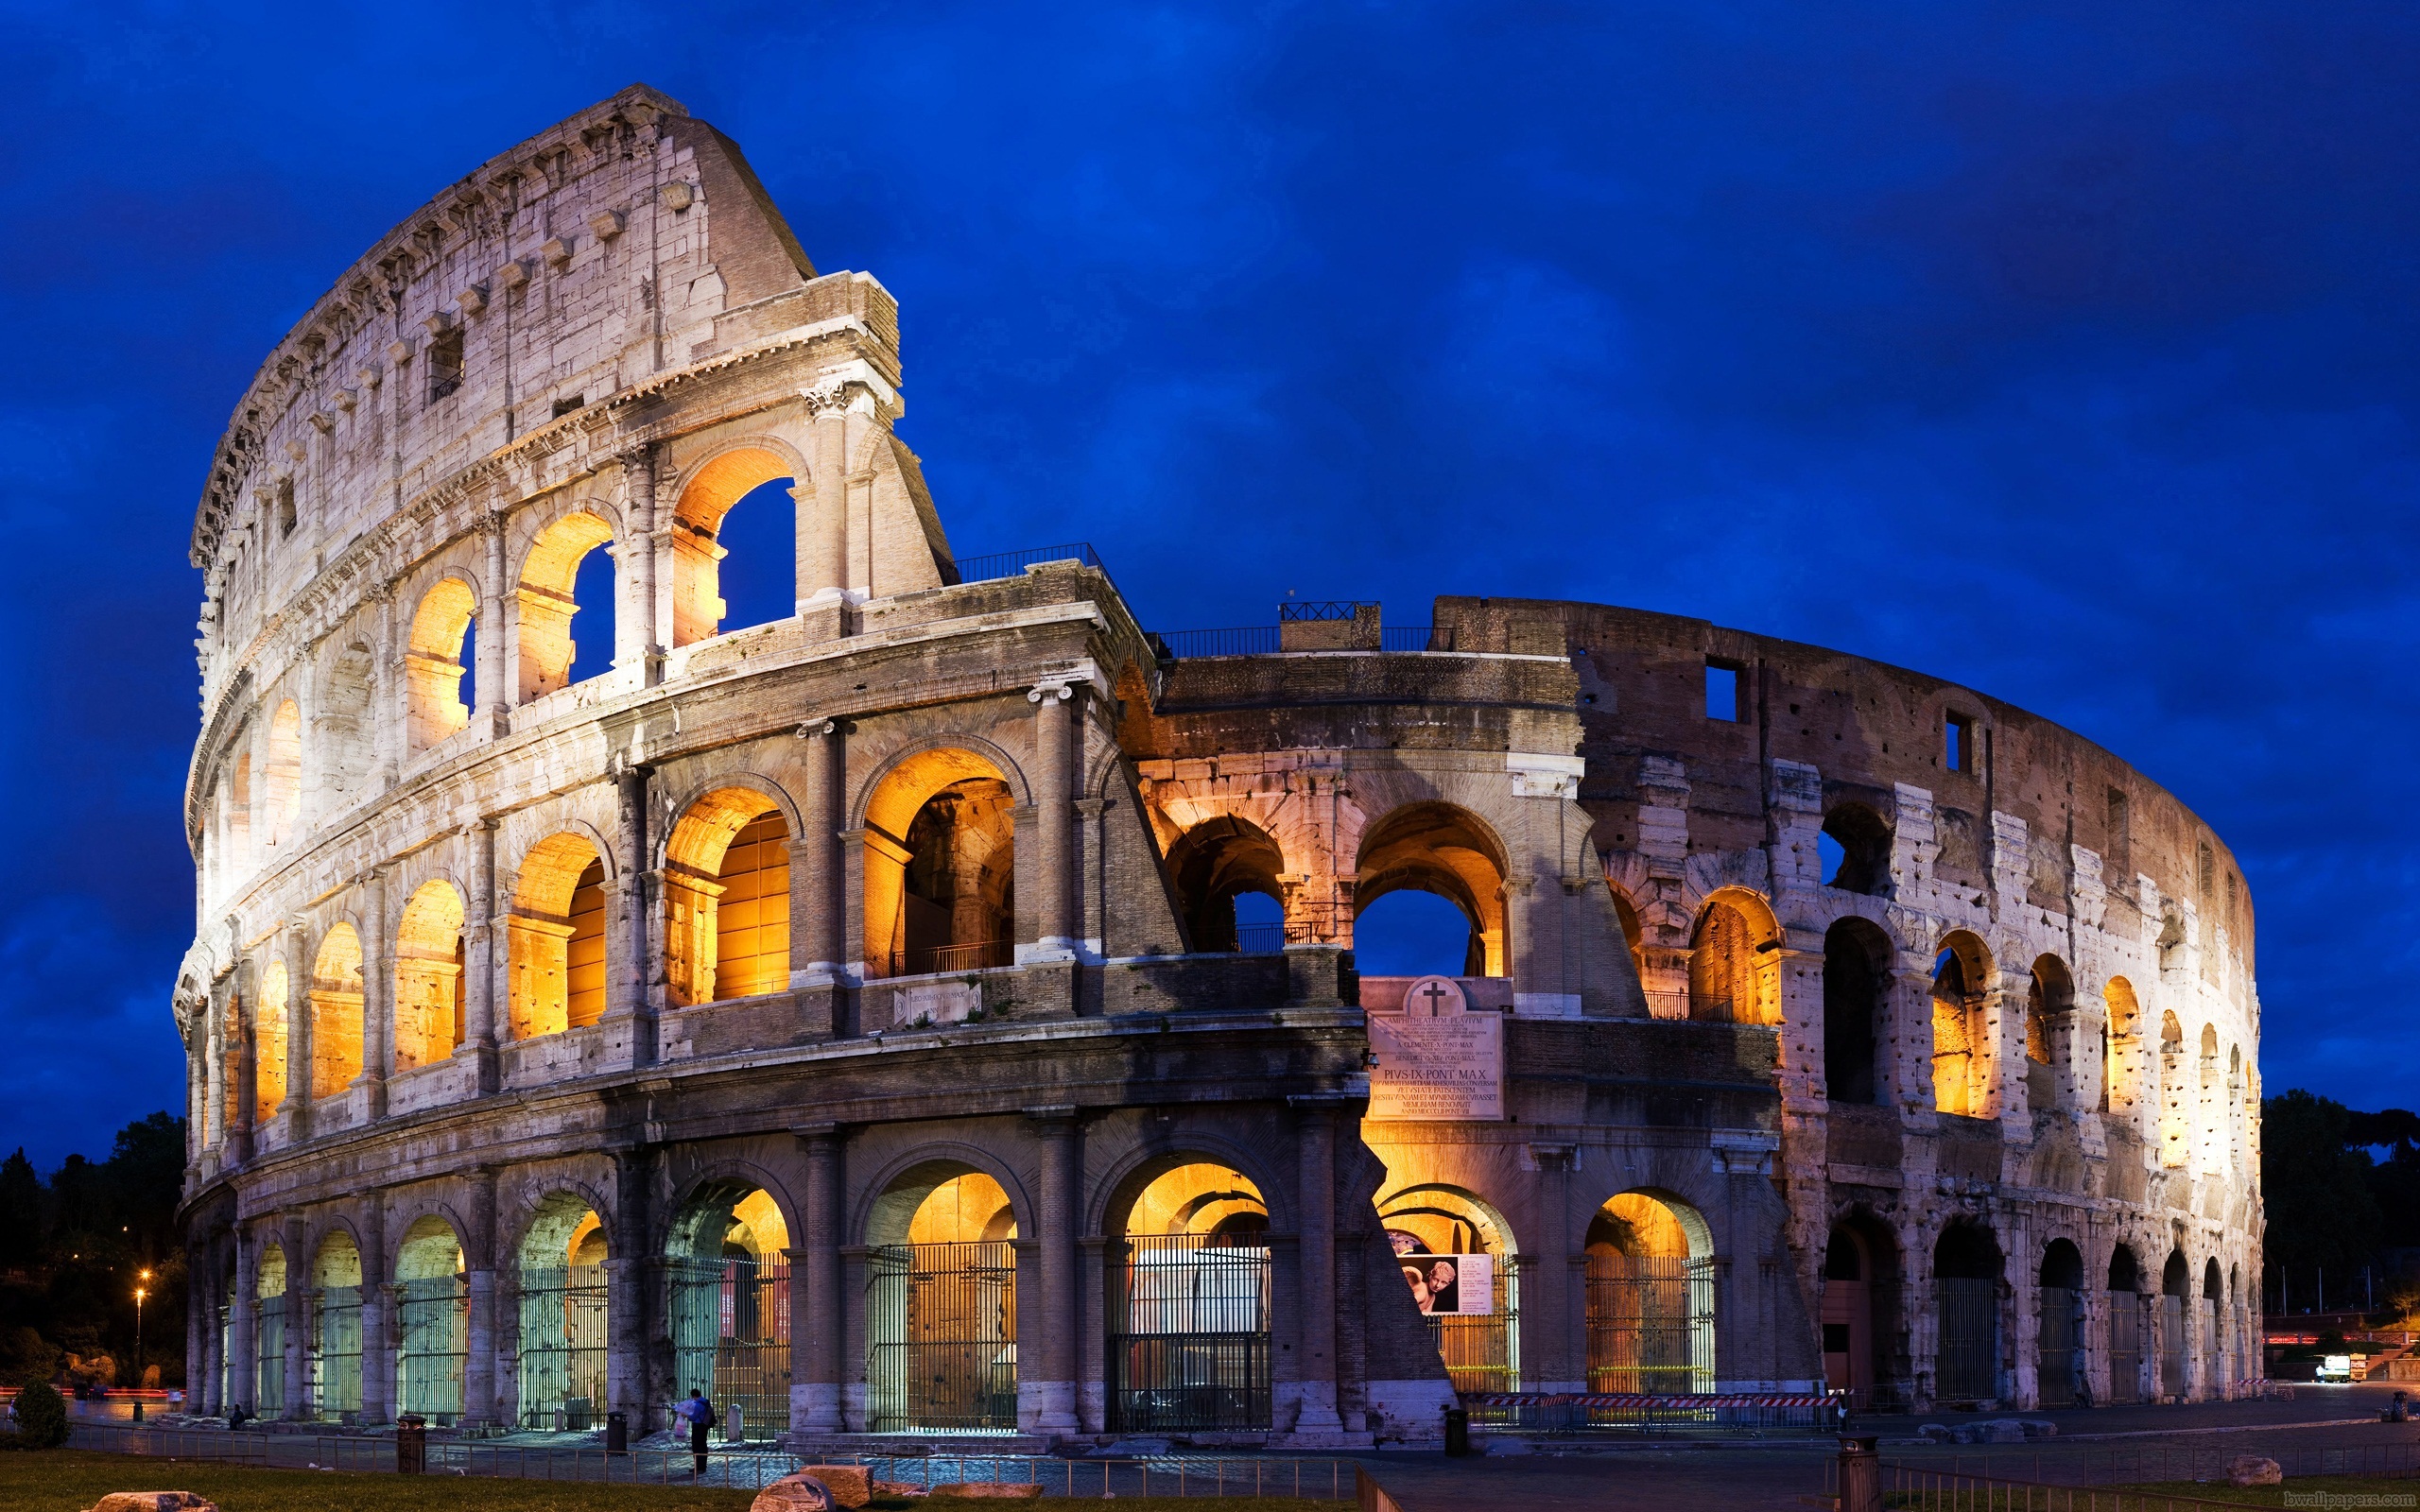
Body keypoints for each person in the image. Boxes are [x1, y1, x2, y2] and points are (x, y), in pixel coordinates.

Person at [676, 1388, 716, 1475]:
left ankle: (699, 1467)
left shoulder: (698, 1405)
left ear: (693, 1396)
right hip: (704, 1426)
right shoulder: (705, 1401)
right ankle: (702, 1466)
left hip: (698, 1427)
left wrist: (685, 1415)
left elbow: (693, 1417)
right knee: (703, 1446)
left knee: (697, 1447)